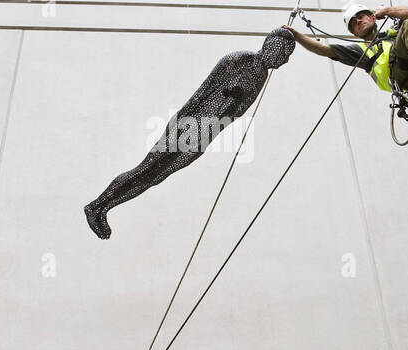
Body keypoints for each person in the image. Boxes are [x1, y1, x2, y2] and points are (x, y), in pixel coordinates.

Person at [84, 27, 295, 238]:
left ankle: (104, 208)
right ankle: (96, 206)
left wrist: (228, 109)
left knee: (155, 177)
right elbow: (204, 92)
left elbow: (238, 111)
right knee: (147, 168)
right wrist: (193, 119)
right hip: (190, 124)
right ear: (271, 45)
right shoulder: (240, 59)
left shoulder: (261, 76)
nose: (285, 60)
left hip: (205, 135)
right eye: (284, 52)